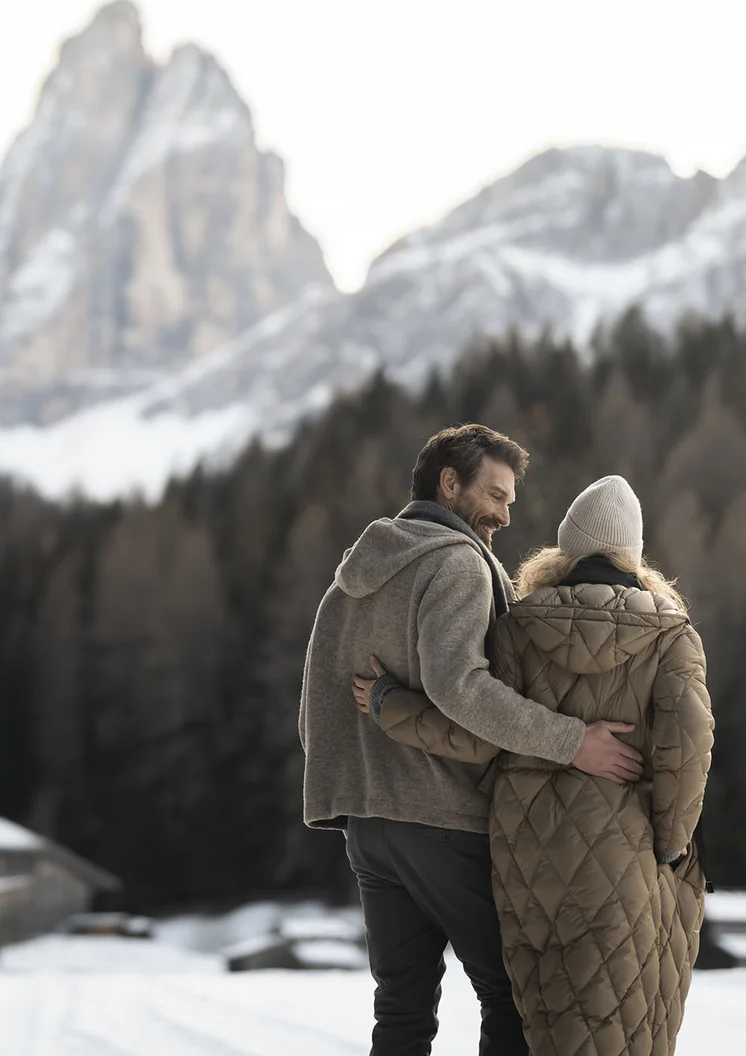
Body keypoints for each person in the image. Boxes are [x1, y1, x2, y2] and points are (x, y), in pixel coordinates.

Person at [301, 425, 642, 1056]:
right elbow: (462, 687)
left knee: (401, 1013)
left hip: (369, 824)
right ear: (448, 484)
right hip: (441, 817)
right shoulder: (455, 563)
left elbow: (318, 693)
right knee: (512, 994)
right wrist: (572, 741)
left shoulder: (358, 573)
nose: (506, 515)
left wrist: (346, 784)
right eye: (495, 495)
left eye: (511, 500)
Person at [354, 474, 713, 1056]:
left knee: (538, 1020)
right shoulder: (670, 635)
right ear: (634, 552)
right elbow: (688, 750)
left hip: (525, 859)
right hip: (626, 854)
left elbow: (478, 732)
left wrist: (390, 706)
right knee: (616, 1027)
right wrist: (671, 844)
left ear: (565, 548)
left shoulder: (519, 625)